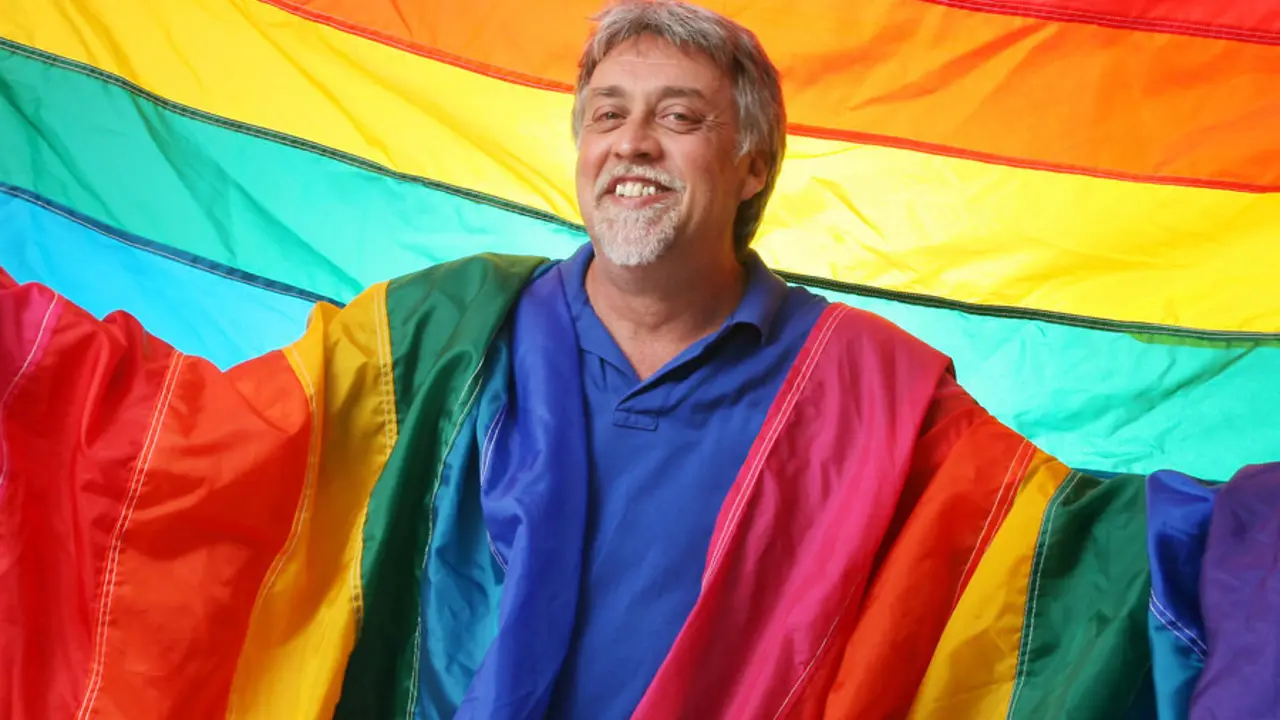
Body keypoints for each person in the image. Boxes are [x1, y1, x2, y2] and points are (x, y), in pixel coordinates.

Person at [2, 1, 1275, 719]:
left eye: (679, 117)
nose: (634, 145)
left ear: (752, 162)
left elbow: (1065, 575)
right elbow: (202, 457)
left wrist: (1247, 554)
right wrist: (29, 368)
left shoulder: (877, 390)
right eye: (607, 115)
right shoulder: (436, 336)